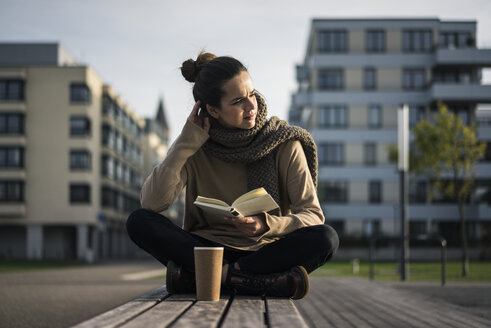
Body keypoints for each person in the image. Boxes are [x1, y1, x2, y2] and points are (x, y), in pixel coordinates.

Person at [126, 51, 339, 300]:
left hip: (266, 253)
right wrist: (184, 143)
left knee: (326, 238)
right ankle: (255, 282)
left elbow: (313, 216)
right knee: (138, 221)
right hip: (205, 251)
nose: (251, 106)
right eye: (238, 101)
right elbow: (152, 203)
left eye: (251, 94)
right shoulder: (194, 146)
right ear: (213, 111)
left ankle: (212, 277)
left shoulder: (283, 142)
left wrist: (267, 224)